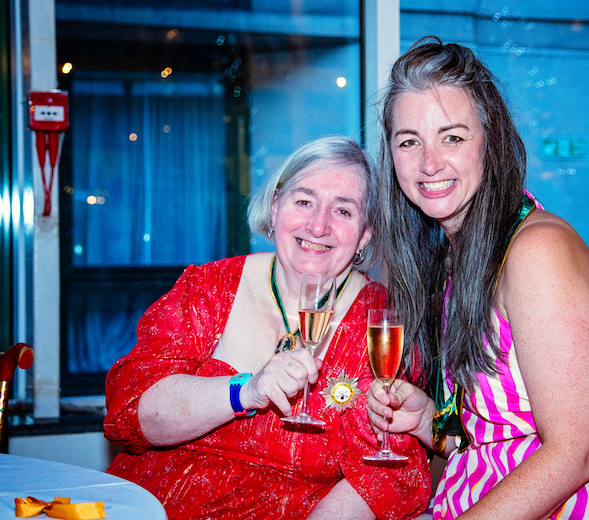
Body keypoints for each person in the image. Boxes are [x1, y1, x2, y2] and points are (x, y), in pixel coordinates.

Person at [366, 37, 589, 519]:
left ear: (491, 141)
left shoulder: (535, 250)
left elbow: (575, 453)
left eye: (452, 137)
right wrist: (428, 422)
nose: (429, 163)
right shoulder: (457, 262)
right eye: (408, 141)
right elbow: (497, 437)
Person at [103, 135, 431, 520]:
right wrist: (245, 391)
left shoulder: (382, 322)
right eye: (304, 201)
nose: (318, 225)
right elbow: (133, 412)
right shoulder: (207, 288)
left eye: (343, 210)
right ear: (275, 207)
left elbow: (384, 475)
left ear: (365, 233)